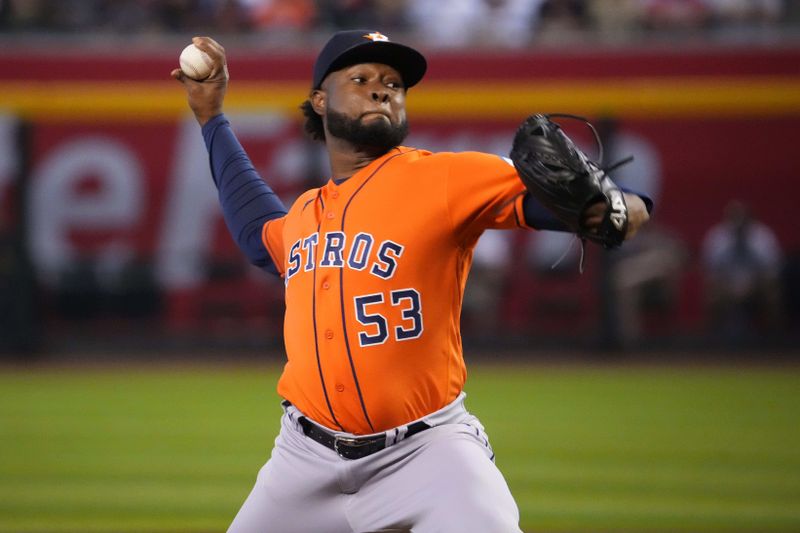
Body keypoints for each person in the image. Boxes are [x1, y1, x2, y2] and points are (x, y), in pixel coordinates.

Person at [172, 30, 651, 532]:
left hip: (427, 454)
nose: (382, 89)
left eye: (394, 83)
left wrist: (613, 208)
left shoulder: (443, 179)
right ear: (319, 100)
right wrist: (210, 116)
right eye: (360, 79)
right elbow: (256, 232)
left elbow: (608, 204)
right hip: (302, 459)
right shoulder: (306, 214)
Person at [701, 200, 783, 340]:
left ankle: (775, 339)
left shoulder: (763, 238)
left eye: (742, 218)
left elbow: (771, 273)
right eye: (734, 218)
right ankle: (712, 341)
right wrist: (731, 288)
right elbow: (712, 273)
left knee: (773, 291)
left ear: (749, 219)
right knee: (711, 292)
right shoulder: (718, 237)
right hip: (726, 287)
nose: (738, 223)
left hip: (757, 286)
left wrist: (750, 286)